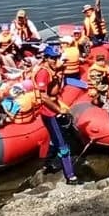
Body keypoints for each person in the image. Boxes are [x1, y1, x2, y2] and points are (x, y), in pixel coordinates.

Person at [33, 54, 78, 184]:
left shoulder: (53, 71)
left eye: (58, 58)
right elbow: (44, 97)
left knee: (54, 140)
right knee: (63, 145)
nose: (56, 61)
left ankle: (46, 165)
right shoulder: (43, 73)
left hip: (53, 109)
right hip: (49, 113)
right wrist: (59, 110)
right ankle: (70, 176)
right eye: (53, 58)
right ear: (46, 58)